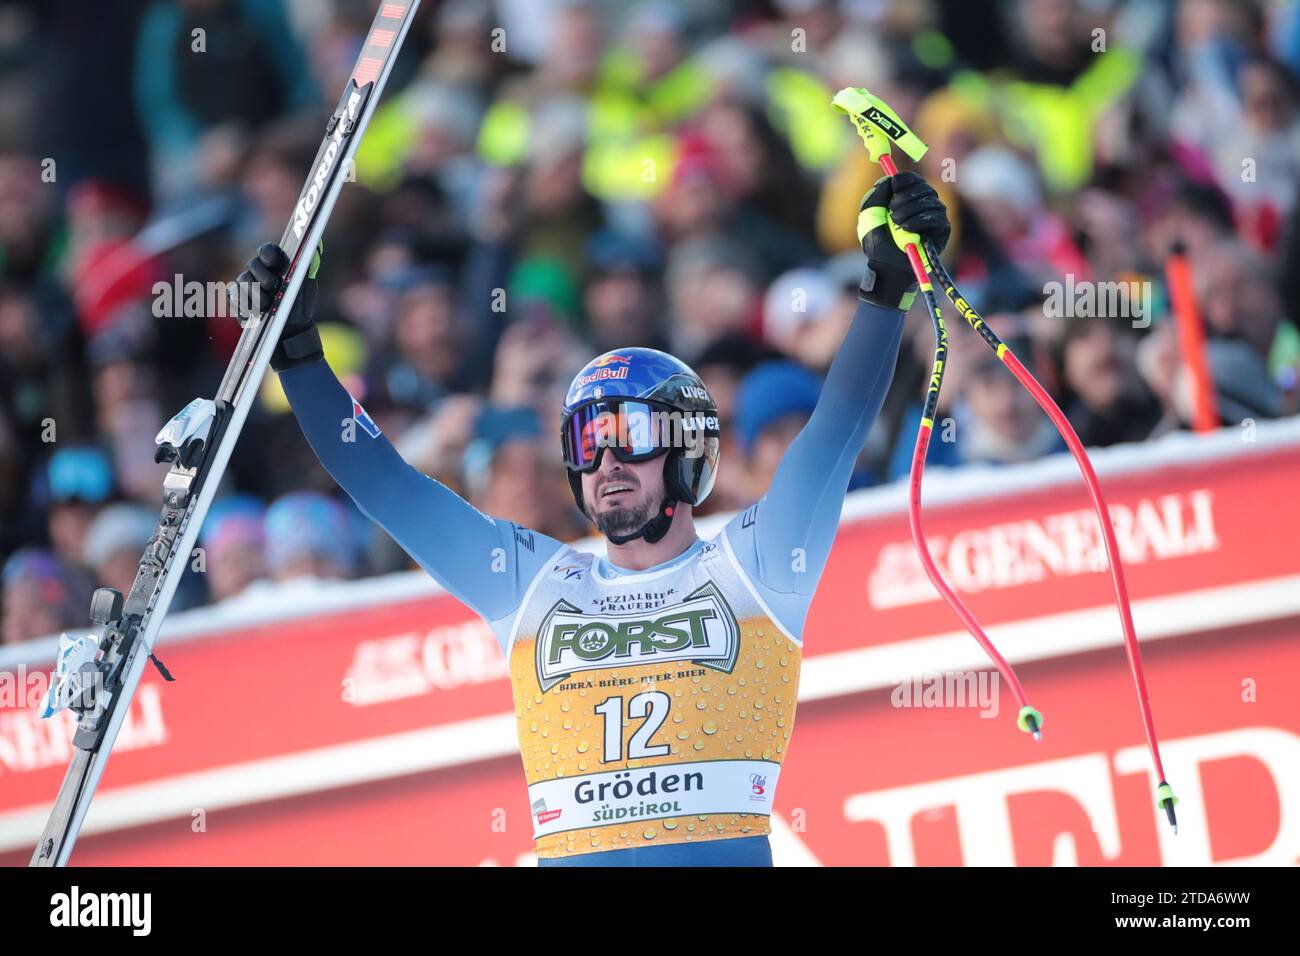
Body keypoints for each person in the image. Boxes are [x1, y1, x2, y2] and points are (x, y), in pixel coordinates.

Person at [231, 170, 950, 866]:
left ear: (687, 449)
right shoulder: (531, 584)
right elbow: (384, 483)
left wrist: (886, 287)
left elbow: (836, 427)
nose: (605, 463)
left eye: (629, 436)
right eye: (586, 441)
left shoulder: (756, 567)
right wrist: (297, 358)